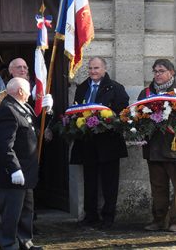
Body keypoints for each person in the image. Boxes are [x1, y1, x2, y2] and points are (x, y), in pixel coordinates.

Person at [71, 57, 129, 229]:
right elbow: (76, 110)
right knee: (89, 180)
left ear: (104, 69)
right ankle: (91, 215)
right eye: (90, 68)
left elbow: (123, 112)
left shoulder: (116, 88)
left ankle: (108, 217)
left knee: (109, 182)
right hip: (87, 142)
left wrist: (107, 120)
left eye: (96, 68)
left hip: (108, 143)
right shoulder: (82, 88)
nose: (92, 71)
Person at [0, 77, 47, 250]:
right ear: (21, 92)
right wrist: (14, 168)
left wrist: (49, 111)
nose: (31, 93)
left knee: (26, 211)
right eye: (29, 89)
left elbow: (35, 129)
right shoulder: (8, 109)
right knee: (12, 212)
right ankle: (9, 244)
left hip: (27, 171)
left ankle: (25, 242)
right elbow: (5, 144)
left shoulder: (23, 107)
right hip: (14, 173)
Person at [140, 58, 176, 233]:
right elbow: (137, 116)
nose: (157, 74)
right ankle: (159, 220)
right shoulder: (146, 93)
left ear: (172, 73)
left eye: (161, 71)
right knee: (158, 187)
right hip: (153, 148)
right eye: (155, 71)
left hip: (175, 148)